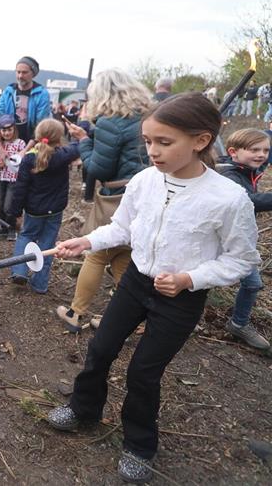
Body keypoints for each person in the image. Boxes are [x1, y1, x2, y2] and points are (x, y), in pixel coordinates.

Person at [47, 93, 259, 484]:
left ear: (200, 141)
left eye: (164, 142)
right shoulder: (144, 181)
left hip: (180, 297)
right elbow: (124, 228)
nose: (153, 151)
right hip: (136, 281)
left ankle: (139, 445)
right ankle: (84, 409)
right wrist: (88, 241)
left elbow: (242, 259)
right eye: (148, 141)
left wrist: (188, 279)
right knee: (100, 347)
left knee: (144, 372)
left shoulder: (228, 199)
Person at [55, 69, 154, 331]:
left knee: (96, 255)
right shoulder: (147, 118)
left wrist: (84, 142)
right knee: (124, 259)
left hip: (118, 198)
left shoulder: (112, 121)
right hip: (146, 195)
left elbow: (100, 169)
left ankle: (76, 313)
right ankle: (135, 318)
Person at [7, 119, 79, 294]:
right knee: (48, 244)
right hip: (55, 210)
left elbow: (21, 188)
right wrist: (79, 133)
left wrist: (15, 212)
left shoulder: (29, 158)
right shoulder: (63, 155)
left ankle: (19, 271)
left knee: (26, 236)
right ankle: (40, 284)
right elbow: (78, 147)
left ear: (38, 136)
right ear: (59, 137)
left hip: (34, 210)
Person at [218, 128, 272, 349]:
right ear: (233, 152)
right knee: (198, 281)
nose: (261, 155)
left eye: (265, 150)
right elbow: (248, 200)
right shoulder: (229, 174)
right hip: (222, 239)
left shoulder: (249, 168)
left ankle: (238, 324)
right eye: (254, 150)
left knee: (252, 284)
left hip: (235, 237)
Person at [0, 56, 51, 148]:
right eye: (18, 72)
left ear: (33, 74)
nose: (20, 76)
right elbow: (1, 116)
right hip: (10, 141)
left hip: (32, 142)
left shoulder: (41, 94)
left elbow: (41, 123)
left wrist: (27, 149)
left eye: (25, 72)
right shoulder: (8, 92)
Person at [0, 114, 25, 240]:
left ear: (14, 129)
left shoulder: (20, 143)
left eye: (9, 130)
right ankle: (3, 227)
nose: (6, 133)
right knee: (1, 204)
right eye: (4, 130)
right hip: (2, 177)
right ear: (0, 131)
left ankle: (12, 229)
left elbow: (22, 161)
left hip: (14, 179)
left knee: (9, 206)